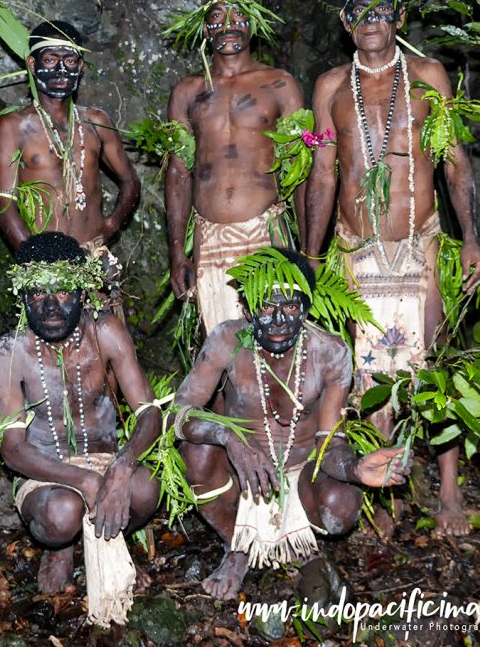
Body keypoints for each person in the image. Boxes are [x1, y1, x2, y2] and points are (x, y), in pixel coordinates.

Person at [305, 0, 480, 538]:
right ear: (346, 23)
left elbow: (453, 158)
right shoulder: (330, 86)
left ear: (400, 19)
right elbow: (322, 169)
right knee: (364, 375)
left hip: (421, 243)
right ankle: (385, 491)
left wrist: (473, 238)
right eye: (361, 11)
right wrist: (311, 255)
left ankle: (450, 491)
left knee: (432, 368)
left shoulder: (429, 77)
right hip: (356, 249)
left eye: (383, 10)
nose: (372, 20)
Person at [172, 249, 409, 599]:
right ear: (248, 309)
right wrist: (230, 439)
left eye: (292, 307)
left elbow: (330, 444)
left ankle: (301, 542)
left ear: (307, 308)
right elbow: (179, 414)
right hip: (244, 473)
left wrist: (357, 469)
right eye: (267, 307)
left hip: (303, 470)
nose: (280, 320)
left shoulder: (330, 352)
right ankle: (237, 548)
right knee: (196, 454)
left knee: (341, 503)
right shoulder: (227, 340)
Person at [0, 231, 159, 625]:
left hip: (106, 459)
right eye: (37, 294)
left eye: (63, 291)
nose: (50, 306)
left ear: (82, 292)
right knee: (63, 513)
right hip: (46, 474)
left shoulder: (106, 333)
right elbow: (13, 449)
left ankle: (110, 542)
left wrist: (120, 467)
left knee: (146, 488)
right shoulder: (10, 352)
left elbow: (150, 412)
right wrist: (83, 481)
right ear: (23, 297)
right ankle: (62, 547)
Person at [165, 0, 305, 333]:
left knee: (275, 344)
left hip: (266, 233)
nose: (228, 23)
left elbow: (301, 170)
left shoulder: (279, 84)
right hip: (210, 240)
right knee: (221, 350)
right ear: (203, 27)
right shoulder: (188, 92)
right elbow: (179, 174)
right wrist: (177, 253)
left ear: (253, 24)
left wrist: (306, 250)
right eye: (216, 16)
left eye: (239, 14)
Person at [0, 20, 140, 253]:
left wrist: (111, 225)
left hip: (93, 254)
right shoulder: (14, 126)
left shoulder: (96, 122)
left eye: (70, 61)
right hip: (44, 262)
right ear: (32, 64)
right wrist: (36, 258)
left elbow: (130, 181)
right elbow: (4, 201)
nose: (61, 70)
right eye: (50, 60)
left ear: (80, 66)